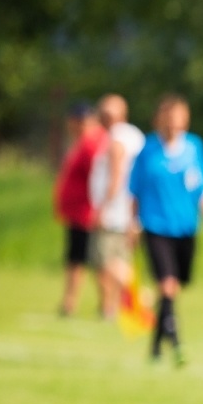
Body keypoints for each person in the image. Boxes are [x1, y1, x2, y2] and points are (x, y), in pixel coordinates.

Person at [128, 94, 203, 366]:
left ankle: (155, 346)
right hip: (155, 225)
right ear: (160, 119)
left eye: (178, 119)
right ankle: (175, 341)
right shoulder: (148, 149)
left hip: (185, 227)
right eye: (168, 118)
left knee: (174, 286)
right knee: (167, 284)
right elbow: (134, 191)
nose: (173, 124)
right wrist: (133, 223)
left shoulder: (194, 148)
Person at [88, 94, 145, 320]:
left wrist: (102, 208)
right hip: (131, 211)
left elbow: (116, 175)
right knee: (120, 259)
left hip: (114, 213)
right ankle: (114, 308)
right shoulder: (136, 135)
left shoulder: (117, 138)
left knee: (105, 261)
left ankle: (134, 301)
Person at [53, 102, 106, 317]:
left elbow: (98, 179)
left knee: (90, 260)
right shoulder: (80, 143)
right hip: (78, 213)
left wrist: (98, 208)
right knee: (79, 259)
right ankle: (75, 302)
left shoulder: (92, 144)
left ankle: (101, 304)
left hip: (88, 213)